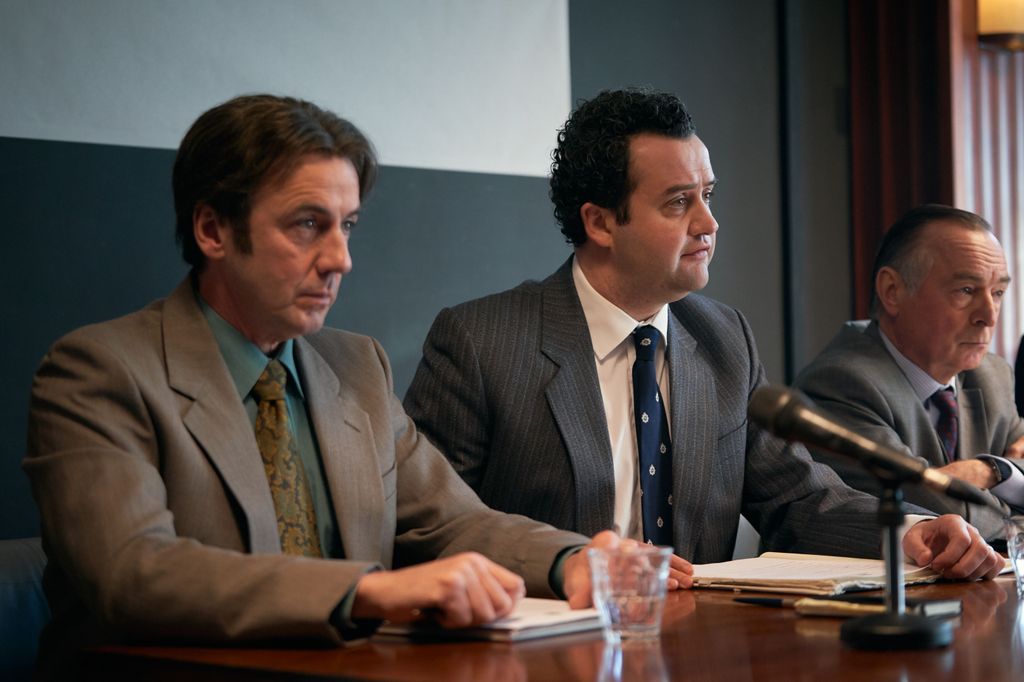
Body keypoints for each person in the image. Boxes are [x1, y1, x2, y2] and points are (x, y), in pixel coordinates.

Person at [22, 94, 642, 676]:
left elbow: (453, 523)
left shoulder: (355, 366)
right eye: (307, 225)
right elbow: (134, 573)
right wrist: (367, 590)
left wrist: (570, 560)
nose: (340, 258)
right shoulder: (99, 370)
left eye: (347, 225)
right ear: (212, 229)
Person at [403, 89, 1002, 576]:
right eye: (678, 203)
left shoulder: (722, 338)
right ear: (601, 221)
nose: (709, 223)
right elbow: (432, 527)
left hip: (703, 645)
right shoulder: (482, 342)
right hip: (546, 645)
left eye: (708, 196)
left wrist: (914, 532)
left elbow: (799, 498)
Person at [794, 205, 1024, 541]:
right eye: (966, 291)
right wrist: (1012, 487)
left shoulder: (992, 375)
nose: (988, 316)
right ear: (892, 291)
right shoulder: (841, 384)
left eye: (998, 292)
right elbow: (947, 519)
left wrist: (991, 471)